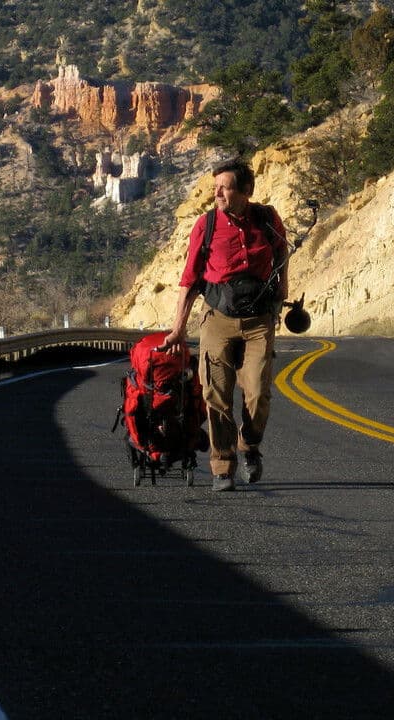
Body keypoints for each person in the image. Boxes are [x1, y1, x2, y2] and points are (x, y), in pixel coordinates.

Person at [158, 160, 290, 491]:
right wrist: (179, 328)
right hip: (217, 318)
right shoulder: (206, 225)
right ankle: (222, 466)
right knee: (216, 395)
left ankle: (250, 444)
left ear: (246, 191)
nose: (217, 193)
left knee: (258, 393)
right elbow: (189, 279)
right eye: (215, 186)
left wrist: (281, 296)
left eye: (225, 187)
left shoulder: (268, 219)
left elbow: (282, 255)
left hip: (259, 320)